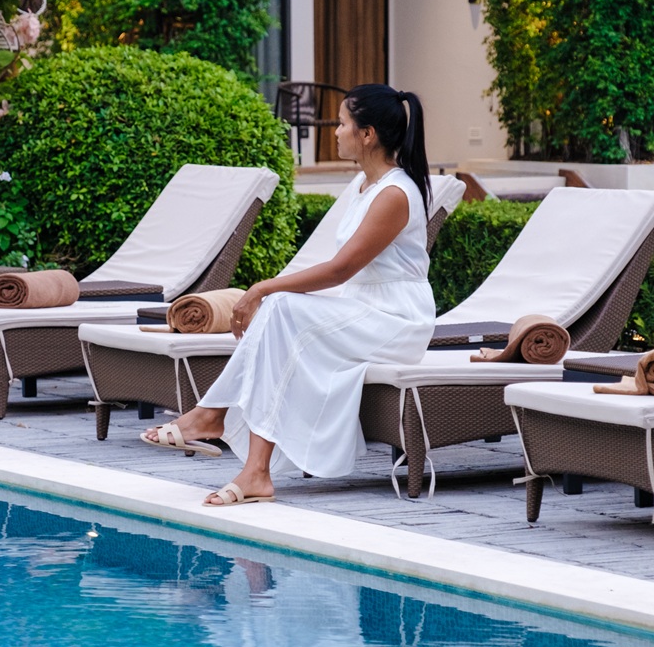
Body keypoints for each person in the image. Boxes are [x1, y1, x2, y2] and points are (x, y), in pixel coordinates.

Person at [143, 84, 436, 505]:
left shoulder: (394, 194)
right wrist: (269, 295)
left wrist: (262, 287)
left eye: (342, 123)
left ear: (367, 134)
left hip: (397, 321)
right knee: (280, 314)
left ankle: (214, 418)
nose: (334, 131)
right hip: (363, 310)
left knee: (279, 305)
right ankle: (249, 464)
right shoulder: (363, 185)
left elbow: (340, 270)